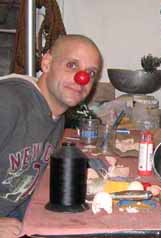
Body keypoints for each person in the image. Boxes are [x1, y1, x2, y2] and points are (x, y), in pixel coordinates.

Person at [0, 34, 103, 237]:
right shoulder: (8, 102)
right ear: (47, 63)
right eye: (72, 65)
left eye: (90, 73)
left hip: (20, 221)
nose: (81, 79)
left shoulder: (56, 118)